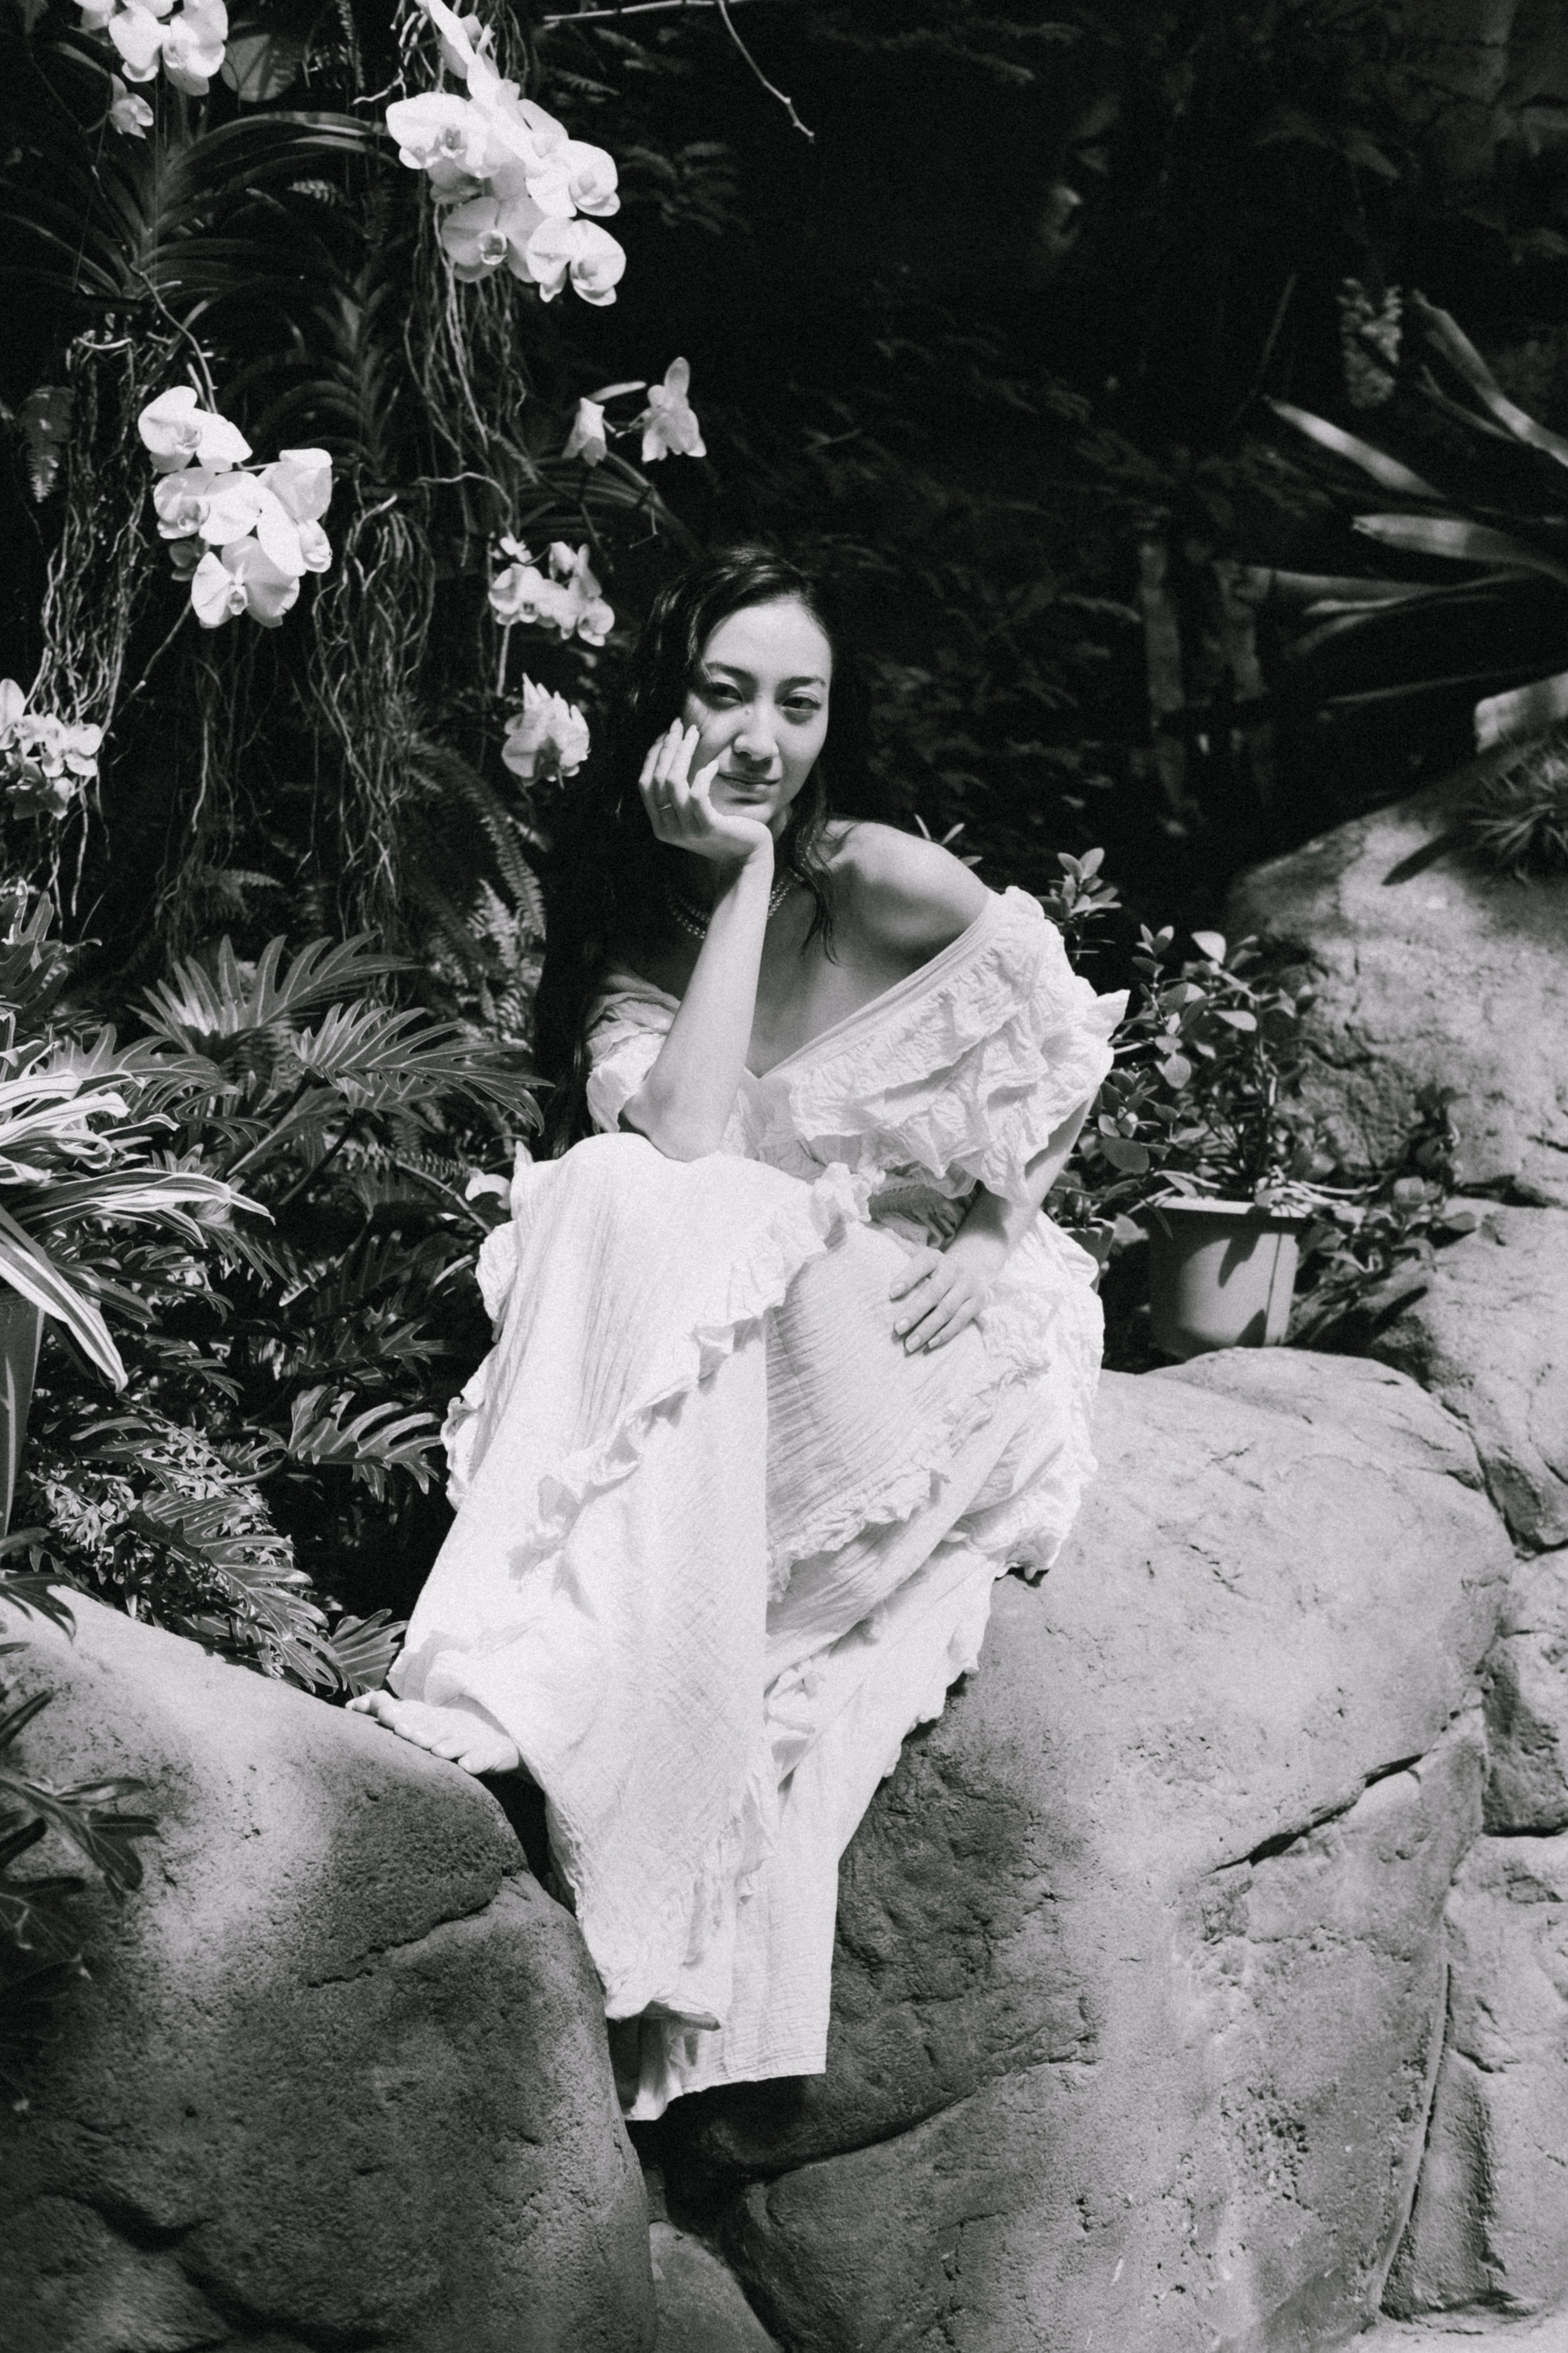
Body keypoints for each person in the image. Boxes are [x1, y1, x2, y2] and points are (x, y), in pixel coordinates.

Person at [352, 545, 1126, 2119]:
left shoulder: (889, 874)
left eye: (799, 702)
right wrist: (742, 879)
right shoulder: (640, 926)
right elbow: (694, 1135)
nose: (762, 738)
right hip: (760, 1339)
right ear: (666, 701)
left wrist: (994, 1234)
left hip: (914, 1338)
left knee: (653, 1195)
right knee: (611, 1185)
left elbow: (1068, 1038)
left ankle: (551, 1685)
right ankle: (547, 1677)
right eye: (726, 693)